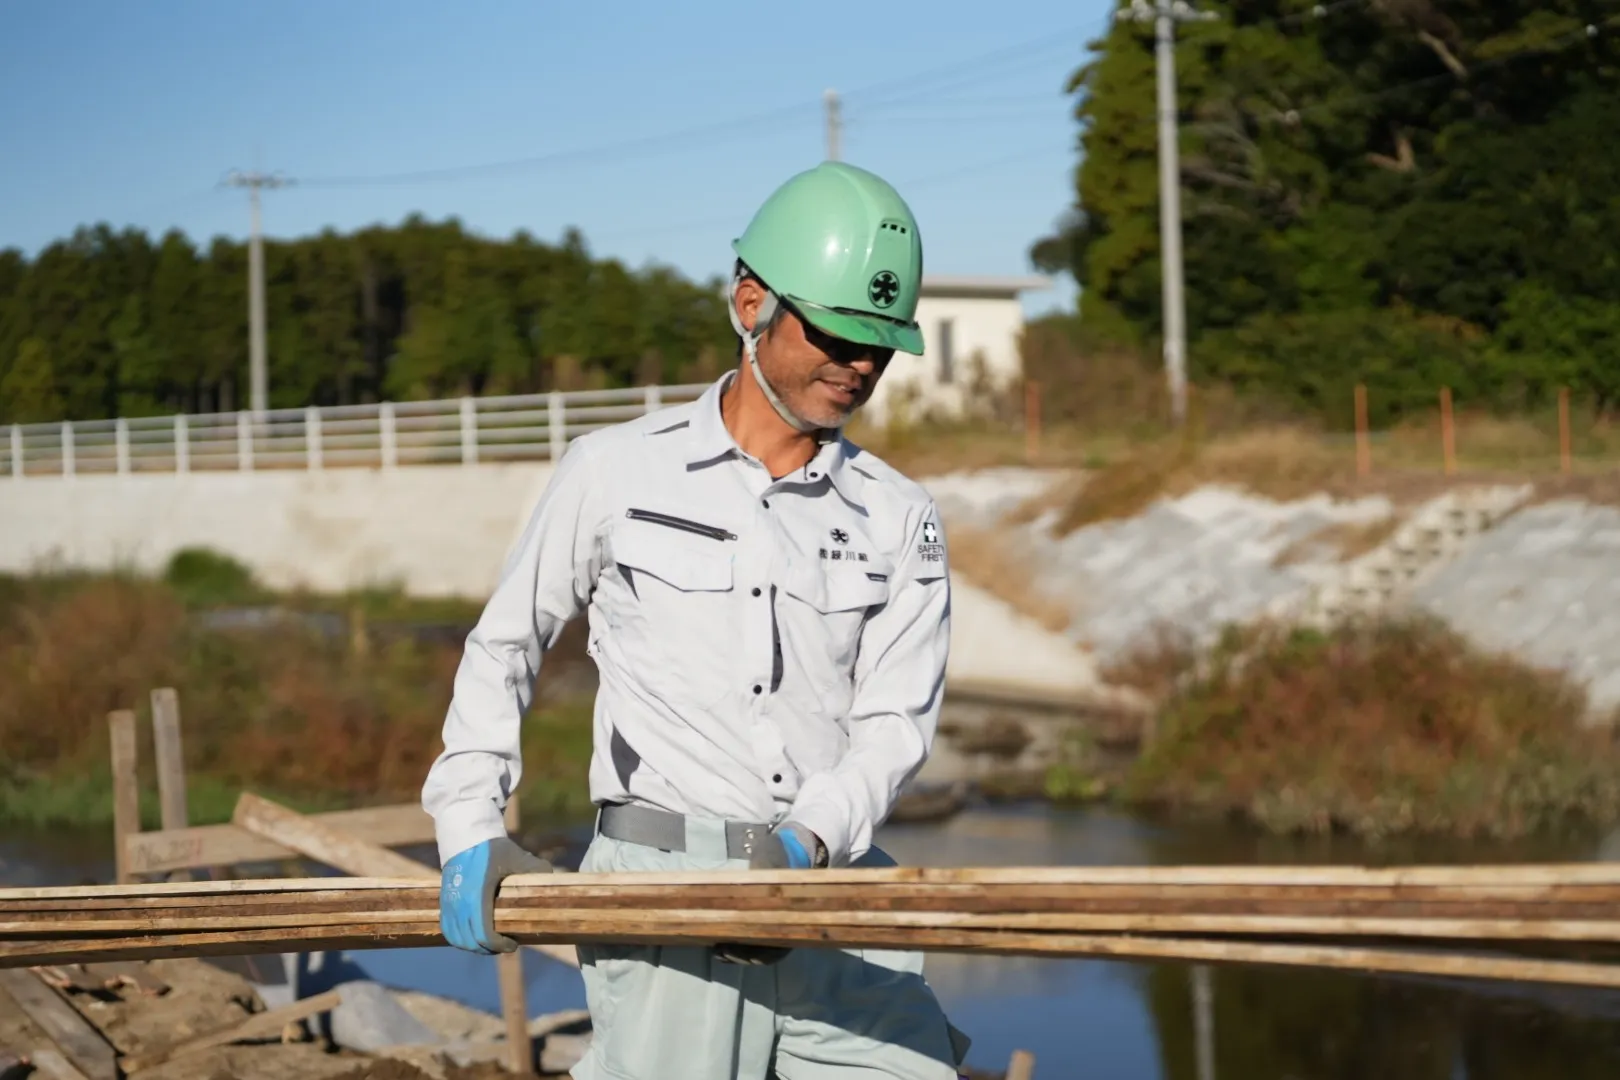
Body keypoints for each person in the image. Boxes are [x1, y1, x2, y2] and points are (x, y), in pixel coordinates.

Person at [422, 160, 968, 1079]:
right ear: (750, 302)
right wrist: (468, 821)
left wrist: (808, 843)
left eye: (880, 344)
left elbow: (894, 722)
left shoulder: (897, 515)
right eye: (836, 333)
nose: (860, 365)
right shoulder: (614, 471)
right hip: (665, 894)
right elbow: (506, 642)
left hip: (831, 888)